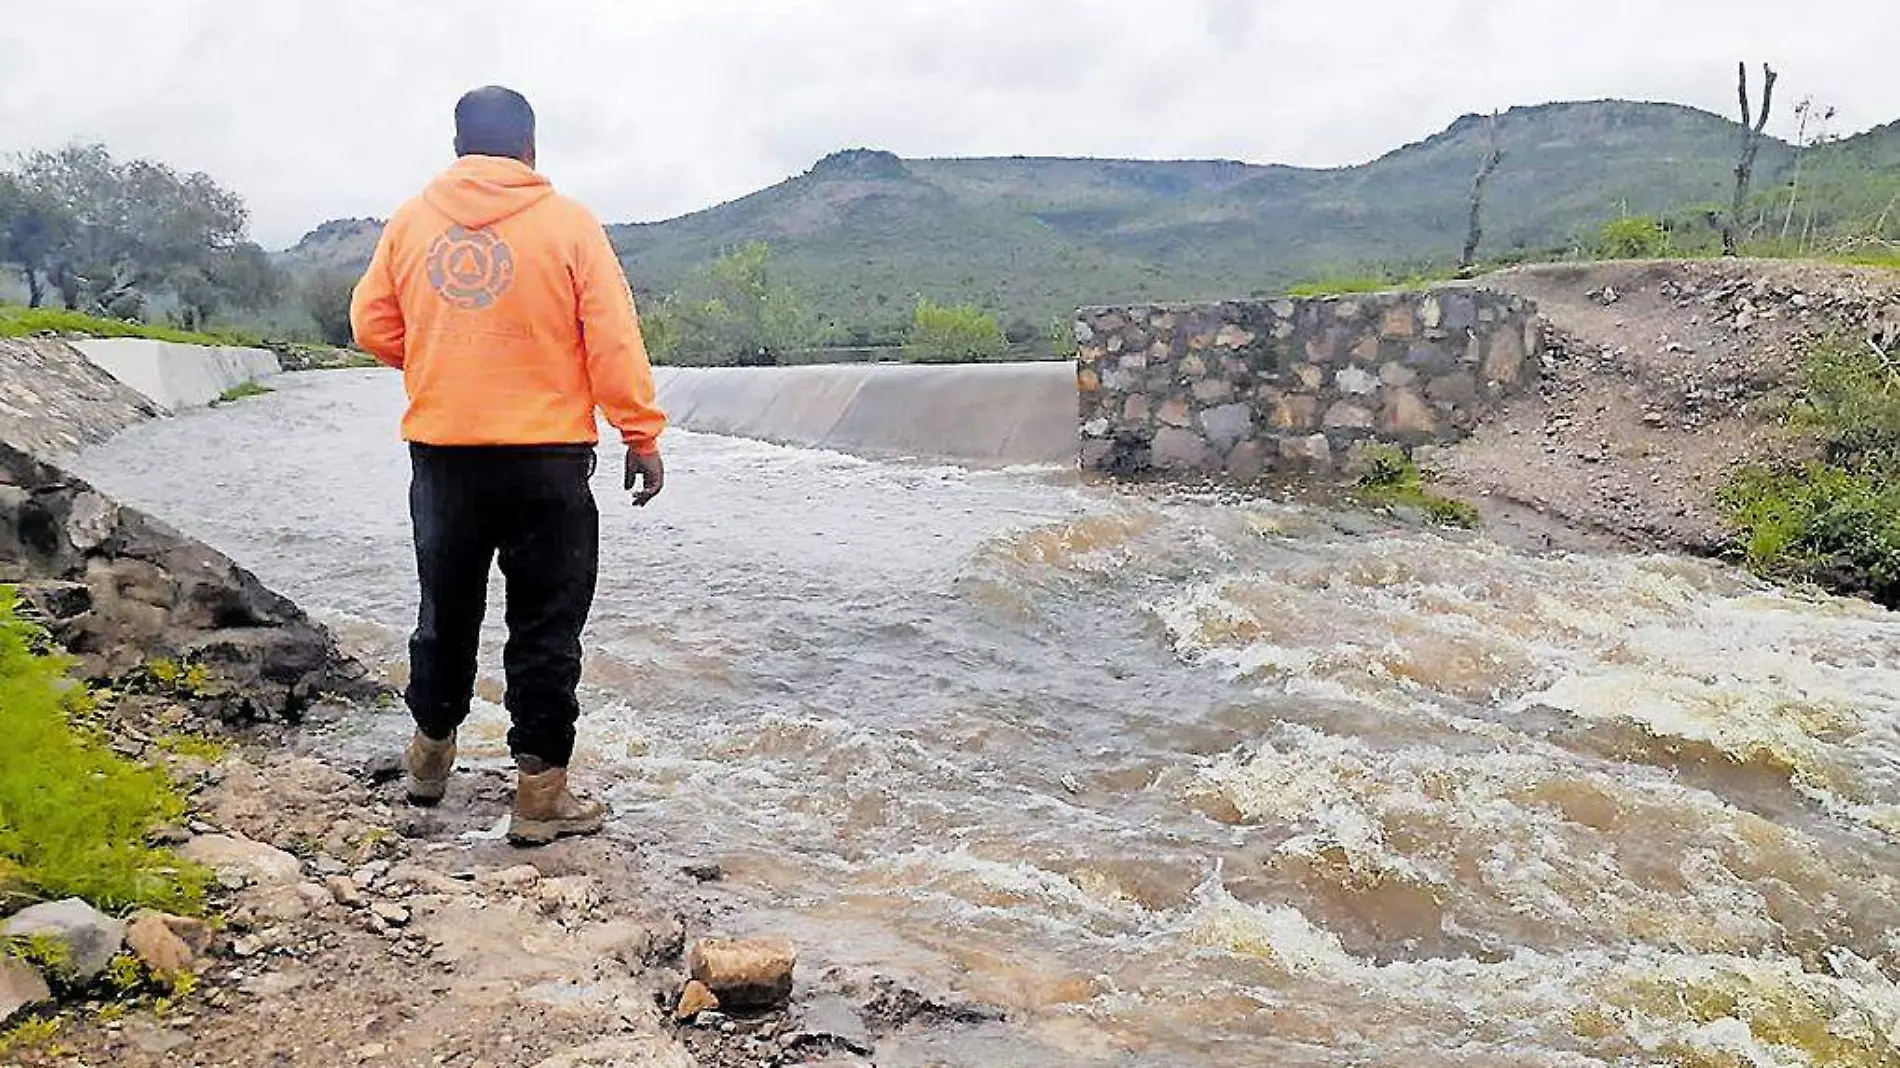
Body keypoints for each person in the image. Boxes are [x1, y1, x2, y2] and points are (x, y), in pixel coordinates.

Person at [350, 86, 666, 847]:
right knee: (547, 628)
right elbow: (612, 340)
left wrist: (439, 354)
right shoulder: (568, 225)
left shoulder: (411, 221)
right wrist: (640, 433)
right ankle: (539, 797)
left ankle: (429, 761)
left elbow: (370, 324)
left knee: (445, 611)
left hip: (444, 458)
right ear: (530, 147)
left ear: (459, 145)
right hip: (548, 462)